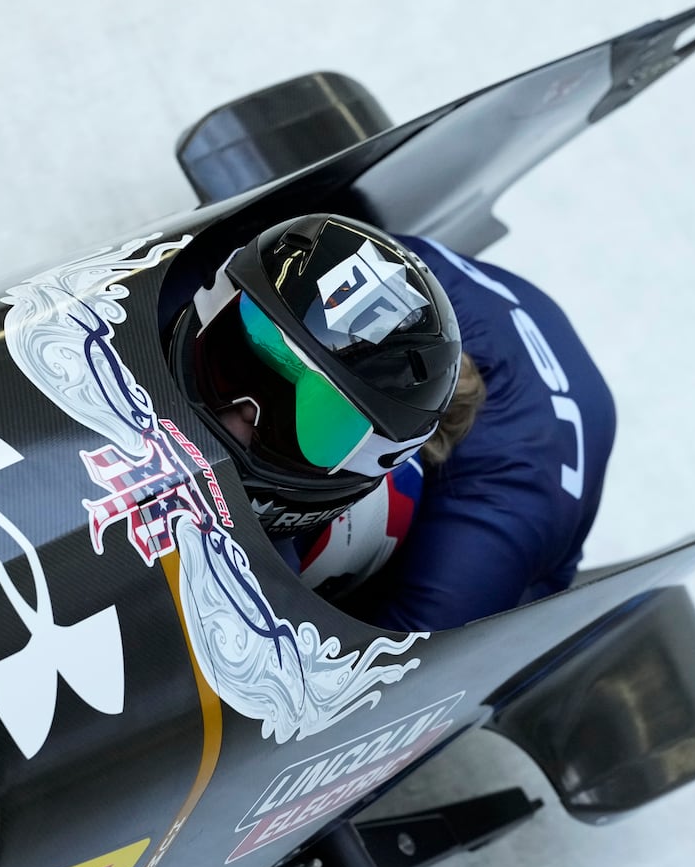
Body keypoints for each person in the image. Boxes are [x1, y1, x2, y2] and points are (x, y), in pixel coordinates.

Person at [167, 213, 614, 632]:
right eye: (239, 364)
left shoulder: (472, 556)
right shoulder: (345, 261)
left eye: (312, 423)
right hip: (457, 301)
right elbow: (210, 292)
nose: (241, 409)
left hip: (533, 495)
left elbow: (412, 685)